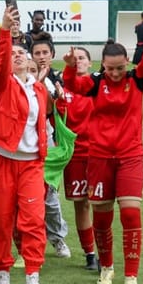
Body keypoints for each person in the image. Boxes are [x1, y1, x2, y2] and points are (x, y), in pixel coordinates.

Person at [61, 12, 143, 284]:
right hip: (100, 157)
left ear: (126, 63)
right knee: (102, 218)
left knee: (130, 214)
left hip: (130, 157)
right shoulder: (94, 83)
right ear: (103, 65)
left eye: (119, 68)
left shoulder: (138, 79)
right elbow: (73, 86)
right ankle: (106, 267)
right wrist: (69, 68)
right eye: (110, 68)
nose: (115, 73)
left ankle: (131, 276)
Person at [0, 5, 51, 284]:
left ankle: (32, 279)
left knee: (34, 221)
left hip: (31, 165)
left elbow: (42, 127)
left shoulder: (38, 89)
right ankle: (3, 275)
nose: (18, 56)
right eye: (13, 54)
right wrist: (4, 30)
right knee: (2, 220)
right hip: (2, 161)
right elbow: (1, 60)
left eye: (21, 53)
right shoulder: (1, 84)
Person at [55, 46, 97, 270]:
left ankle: (103, 252)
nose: (78, 61)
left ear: (90, 63)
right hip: (75, 156)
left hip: (99, 154)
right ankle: (90, 253)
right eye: (75, 58)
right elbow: (55, 121)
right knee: (83, 205)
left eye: (82, 58)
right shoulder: (64, 89)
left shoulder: (97, 86)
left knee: (100, 203)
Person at [30, 33, 72, 259]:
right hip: (25, 147)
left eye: (45, 52)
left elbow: (51, 110)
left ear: (52, 54)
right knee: (26, 201)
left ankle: (57, 239)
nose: (41, 56)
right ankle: (23, 246)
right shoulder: (25, 76)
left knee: (50, 200)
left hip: (50, 147)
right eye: (37, 53)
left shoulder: (58, 79)